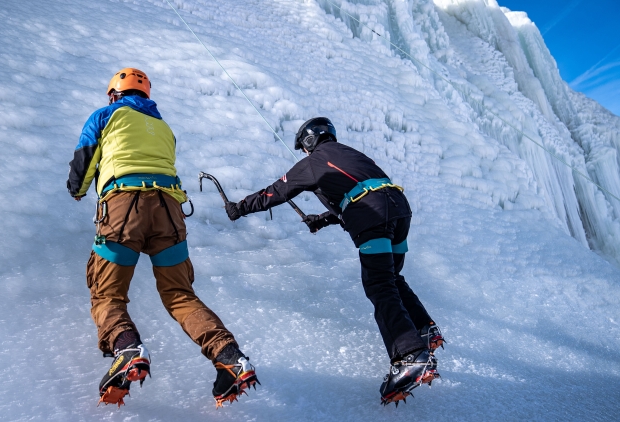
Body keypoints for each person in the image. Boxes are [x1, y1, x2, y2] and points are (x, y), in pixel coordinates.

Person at [67, 68, 257, 408]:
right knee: (180, 293)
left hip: (124, 209)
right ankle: (230, 356)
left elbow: (84, 161)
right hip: (169, 212)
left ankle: (127, 348)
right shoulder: (164, 127)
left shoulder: (105, 115)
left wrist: (77, 190)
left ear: (114, 93)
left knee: (107, 293)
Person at [224, 117, 444, 406]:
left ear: (309, 141)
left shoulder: (315, 159)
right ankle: (425, 329)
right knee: (391, 277)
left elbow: (277, 191)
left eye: (303, 147)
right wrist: (323, 219)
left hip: (372, 215)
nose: (304, 153)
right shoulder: (350, 153)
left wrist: (239, 208)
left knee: (379, 285)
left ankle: (410, 355)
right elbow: (361, 189)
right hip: (399, 210)